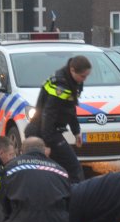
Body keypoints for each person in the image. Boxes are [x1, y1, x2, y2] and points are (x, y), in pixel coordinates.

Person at [24, 55, 91, 183]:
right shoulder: (61, 85)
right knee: (73, 167)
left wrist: (76, 131)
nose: (84, 79)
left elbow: (70, 108)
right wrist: (47, 144)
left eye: (86, 76)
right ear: (72, 70)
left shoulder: (72, 82)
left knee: (56, 170)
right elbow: (48, 116)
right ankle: (78, 197)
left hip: (48, 131)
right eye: (82, 76)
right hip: (42, 132)